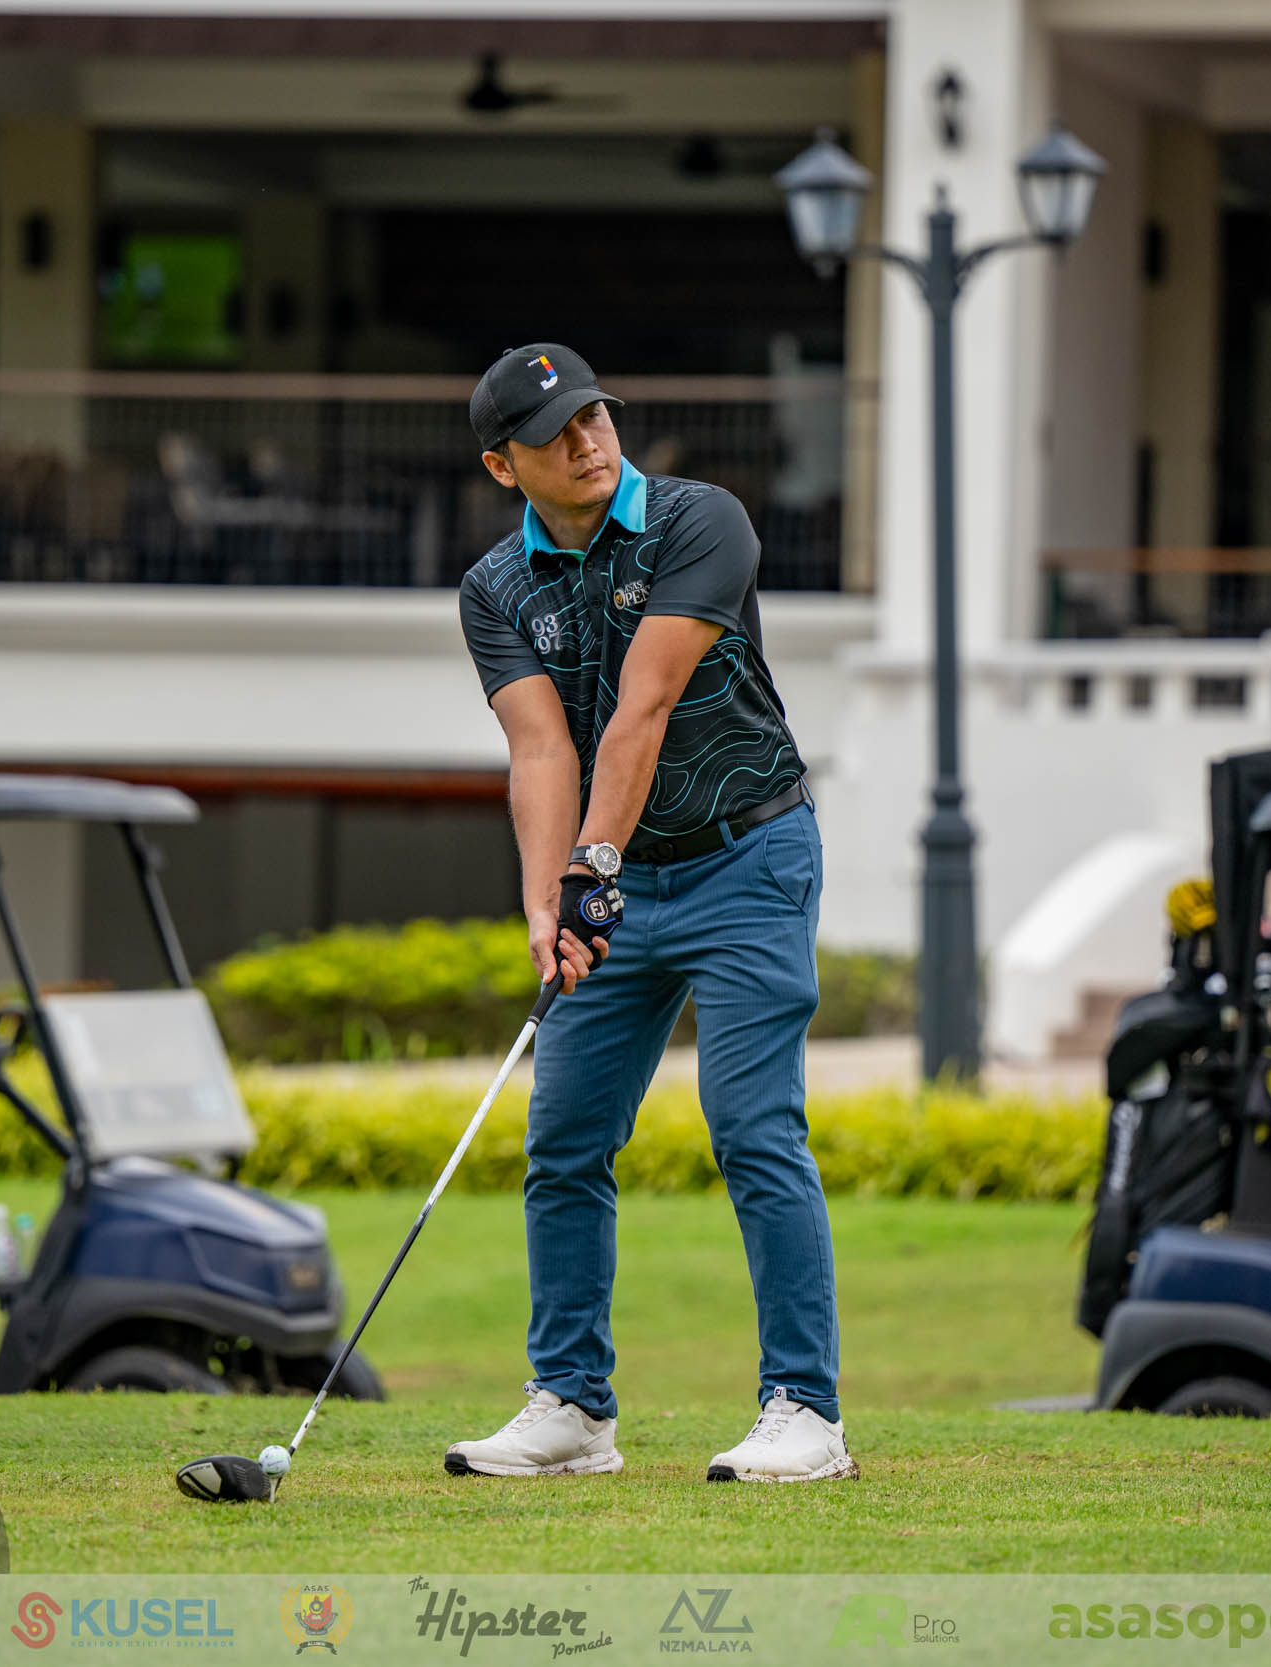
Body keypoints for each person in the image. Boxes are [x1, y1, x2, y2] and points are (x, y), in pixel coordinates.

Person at [447, 343, 854, 1484]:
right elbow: (541, 749)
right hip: (614, 882)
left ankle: (805, 1411)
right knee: (564, 1139)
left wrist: (590, 868)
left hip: (746, 856)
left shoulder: (698, 519)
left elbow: (645, 705)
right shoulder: (495, 588)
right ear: (503, 465)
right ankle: (572, 1406)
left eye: (593, 416)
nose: (587, 441)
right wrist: (548, 900)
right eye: (555, 434)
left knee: (753, 1128)